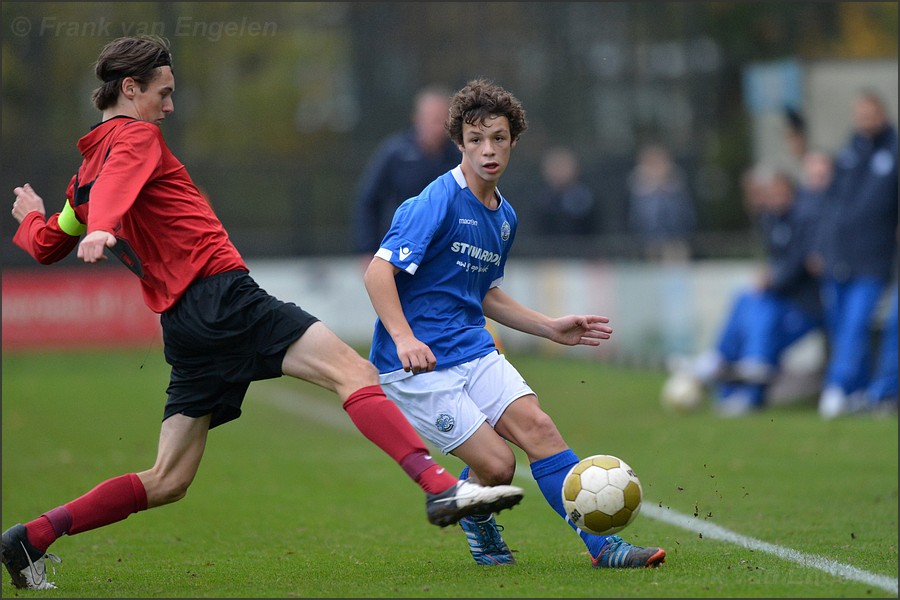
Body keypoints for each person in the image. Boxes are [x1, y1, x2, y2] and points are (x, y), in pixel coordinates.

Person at [1, 36, 524, 591]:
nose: (170, 106)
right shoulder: (135, 138)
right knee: (356, 373)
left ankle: (30, 537)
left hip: (183, 325)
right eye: (165, 93)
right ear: (130, 90)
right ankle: (440, 486)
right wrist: (105, 225)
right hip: (222, 295)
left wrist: (35, 218)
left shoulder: (84, 177)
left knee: (168, 478)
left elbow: (49, 242)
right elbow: (117, 190)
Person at [362, 78, 666, 568]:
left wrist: (549, 327)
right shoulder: (434, 201)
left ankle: (604, 548)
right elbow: (379, 273)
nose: (488, 150)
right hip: (419, 367)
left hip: (472, 348)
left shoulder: (504, 217)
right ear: (459, 142)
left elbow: (483, 293)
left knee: (540, 429)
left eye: (498, 138)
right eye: (476, 139)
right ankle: (470, 507)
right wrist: (403, 338)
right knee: (499, 465)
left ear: (513, 142)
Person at [688, 162, 825, 417]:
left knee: (761, 318)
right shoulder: (772, 220)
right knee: (745, 301)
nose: (774, 198)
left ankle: (749, 388)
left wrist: (772, 279)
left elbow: (802, 262)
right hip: (781, 302)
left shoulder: (805, 218)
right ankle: (723, 364)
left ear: (790, 191)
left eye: (779, 191)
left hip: (806, 306)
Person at [809, 90, 899, 419]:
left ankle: (837, 387)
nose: (865, 120)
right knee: (840, 327)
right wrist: (821, 248)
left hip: (873, 260)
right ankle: (857, 391)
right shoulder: (848, 153)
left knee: (856, 325)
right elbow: (830, 206)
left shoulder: (893, 151)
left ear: (882, 114)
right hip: (839, 259)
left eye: (870, 113)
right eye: (859, 113)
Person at [351, 84, 462, 255]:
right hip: (399, 250)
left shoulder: (459, 156)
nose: (438, 126)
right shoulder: (396, 152)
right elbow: (369, 201)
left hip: (445, 252)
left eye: (443, 119)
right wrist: (367, 249)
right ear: (417, 118)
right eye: (433, 119)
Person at [626, 143, 696, 262]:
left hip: (676, 243)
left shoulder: (679, 189)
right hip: (646, 245)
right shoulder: (634, 191)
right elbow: (635, 220)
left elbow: (686, 217)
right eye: (652, 164)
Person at [533, 146, 597, 237]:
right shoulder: (540, 202)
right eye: (555, 167)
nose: (559, 172)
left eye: (563, 166)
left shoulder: (588, 200)